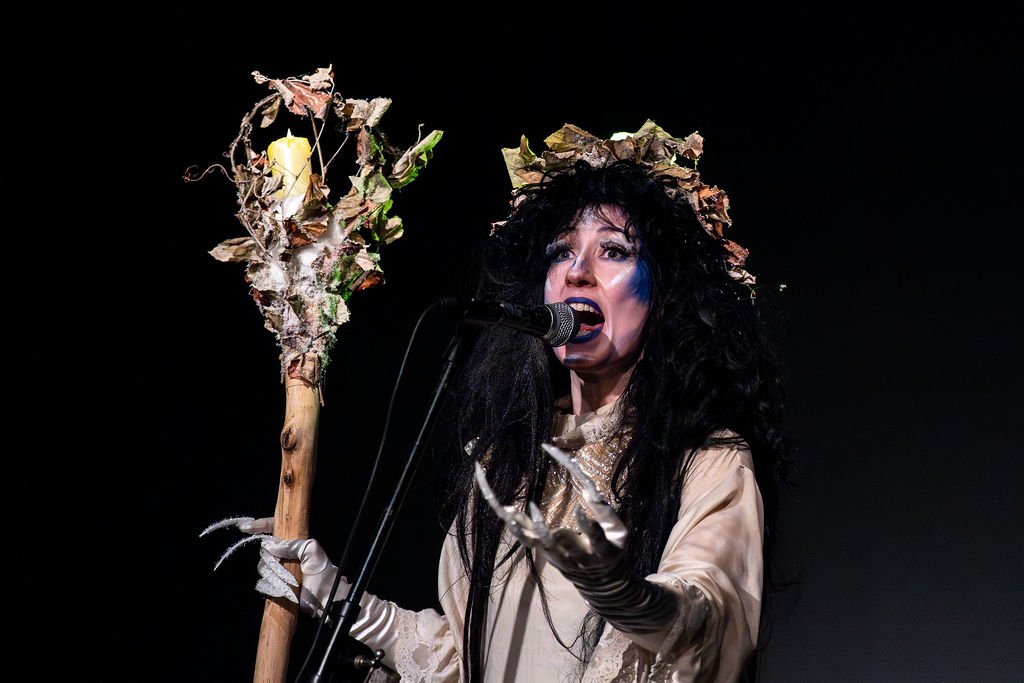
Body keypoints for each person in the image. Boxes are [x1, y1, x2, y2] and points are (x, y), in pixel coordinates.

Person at [221, 121, 796, 682]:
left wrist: (623, 592)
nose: (576, 272)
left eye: (614, 251)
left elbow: (708, 620)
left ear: (667, 296)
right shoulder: (507, 467)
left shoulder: (708, 461)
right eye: (560, 252)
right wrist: (334, 593)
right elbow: (470, 657)